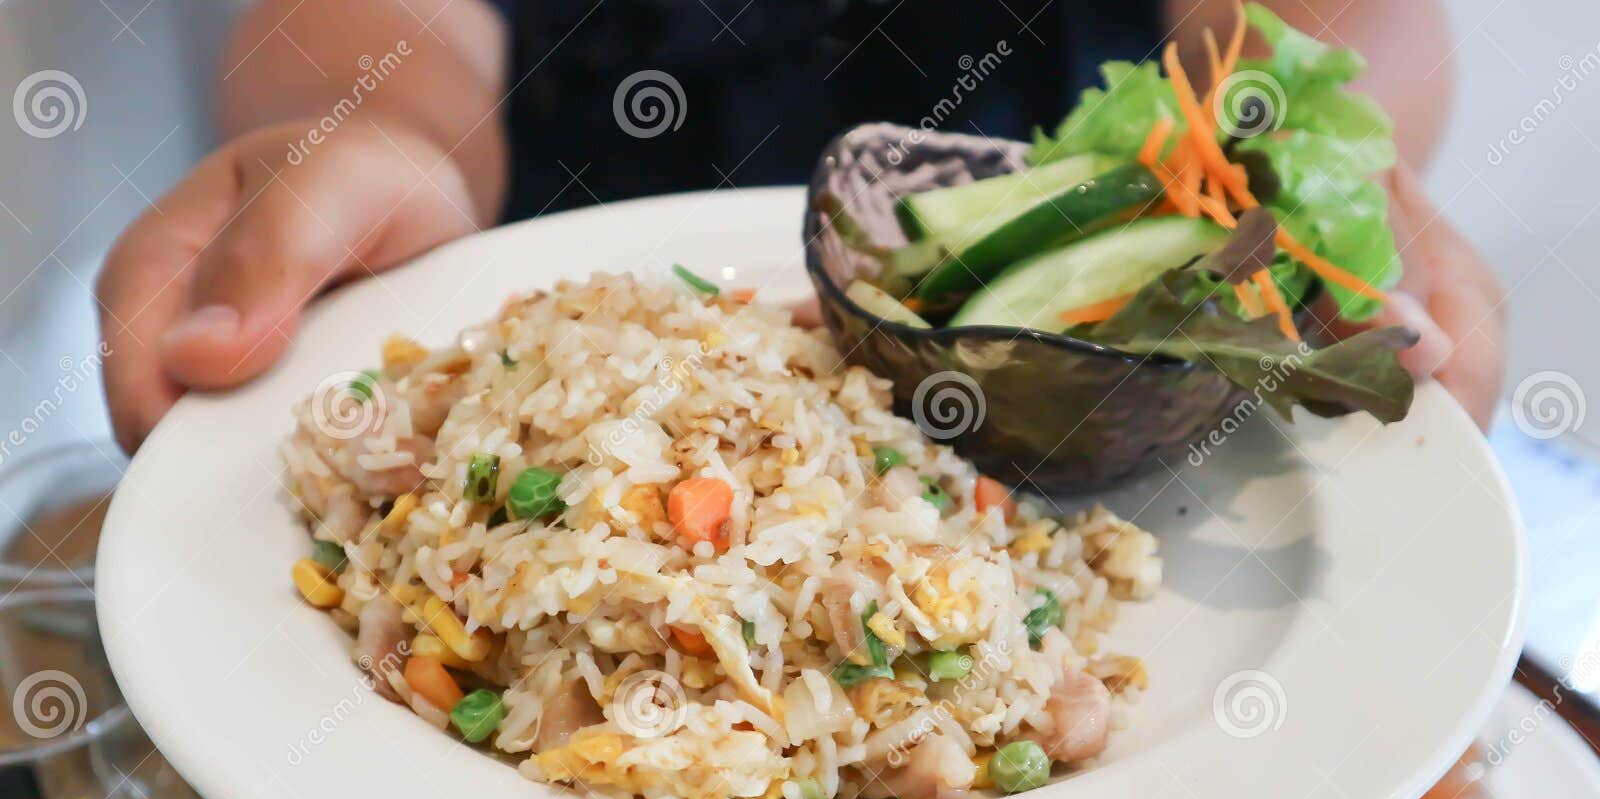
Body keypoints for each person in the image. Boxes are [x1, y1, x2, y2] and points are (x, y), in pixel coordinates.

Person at [96, 0, 1503, 450]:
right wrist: (379, 135)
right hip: (574, 332)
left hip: (1081, 306)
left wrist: (1304, 166)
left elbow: (1337, 22)